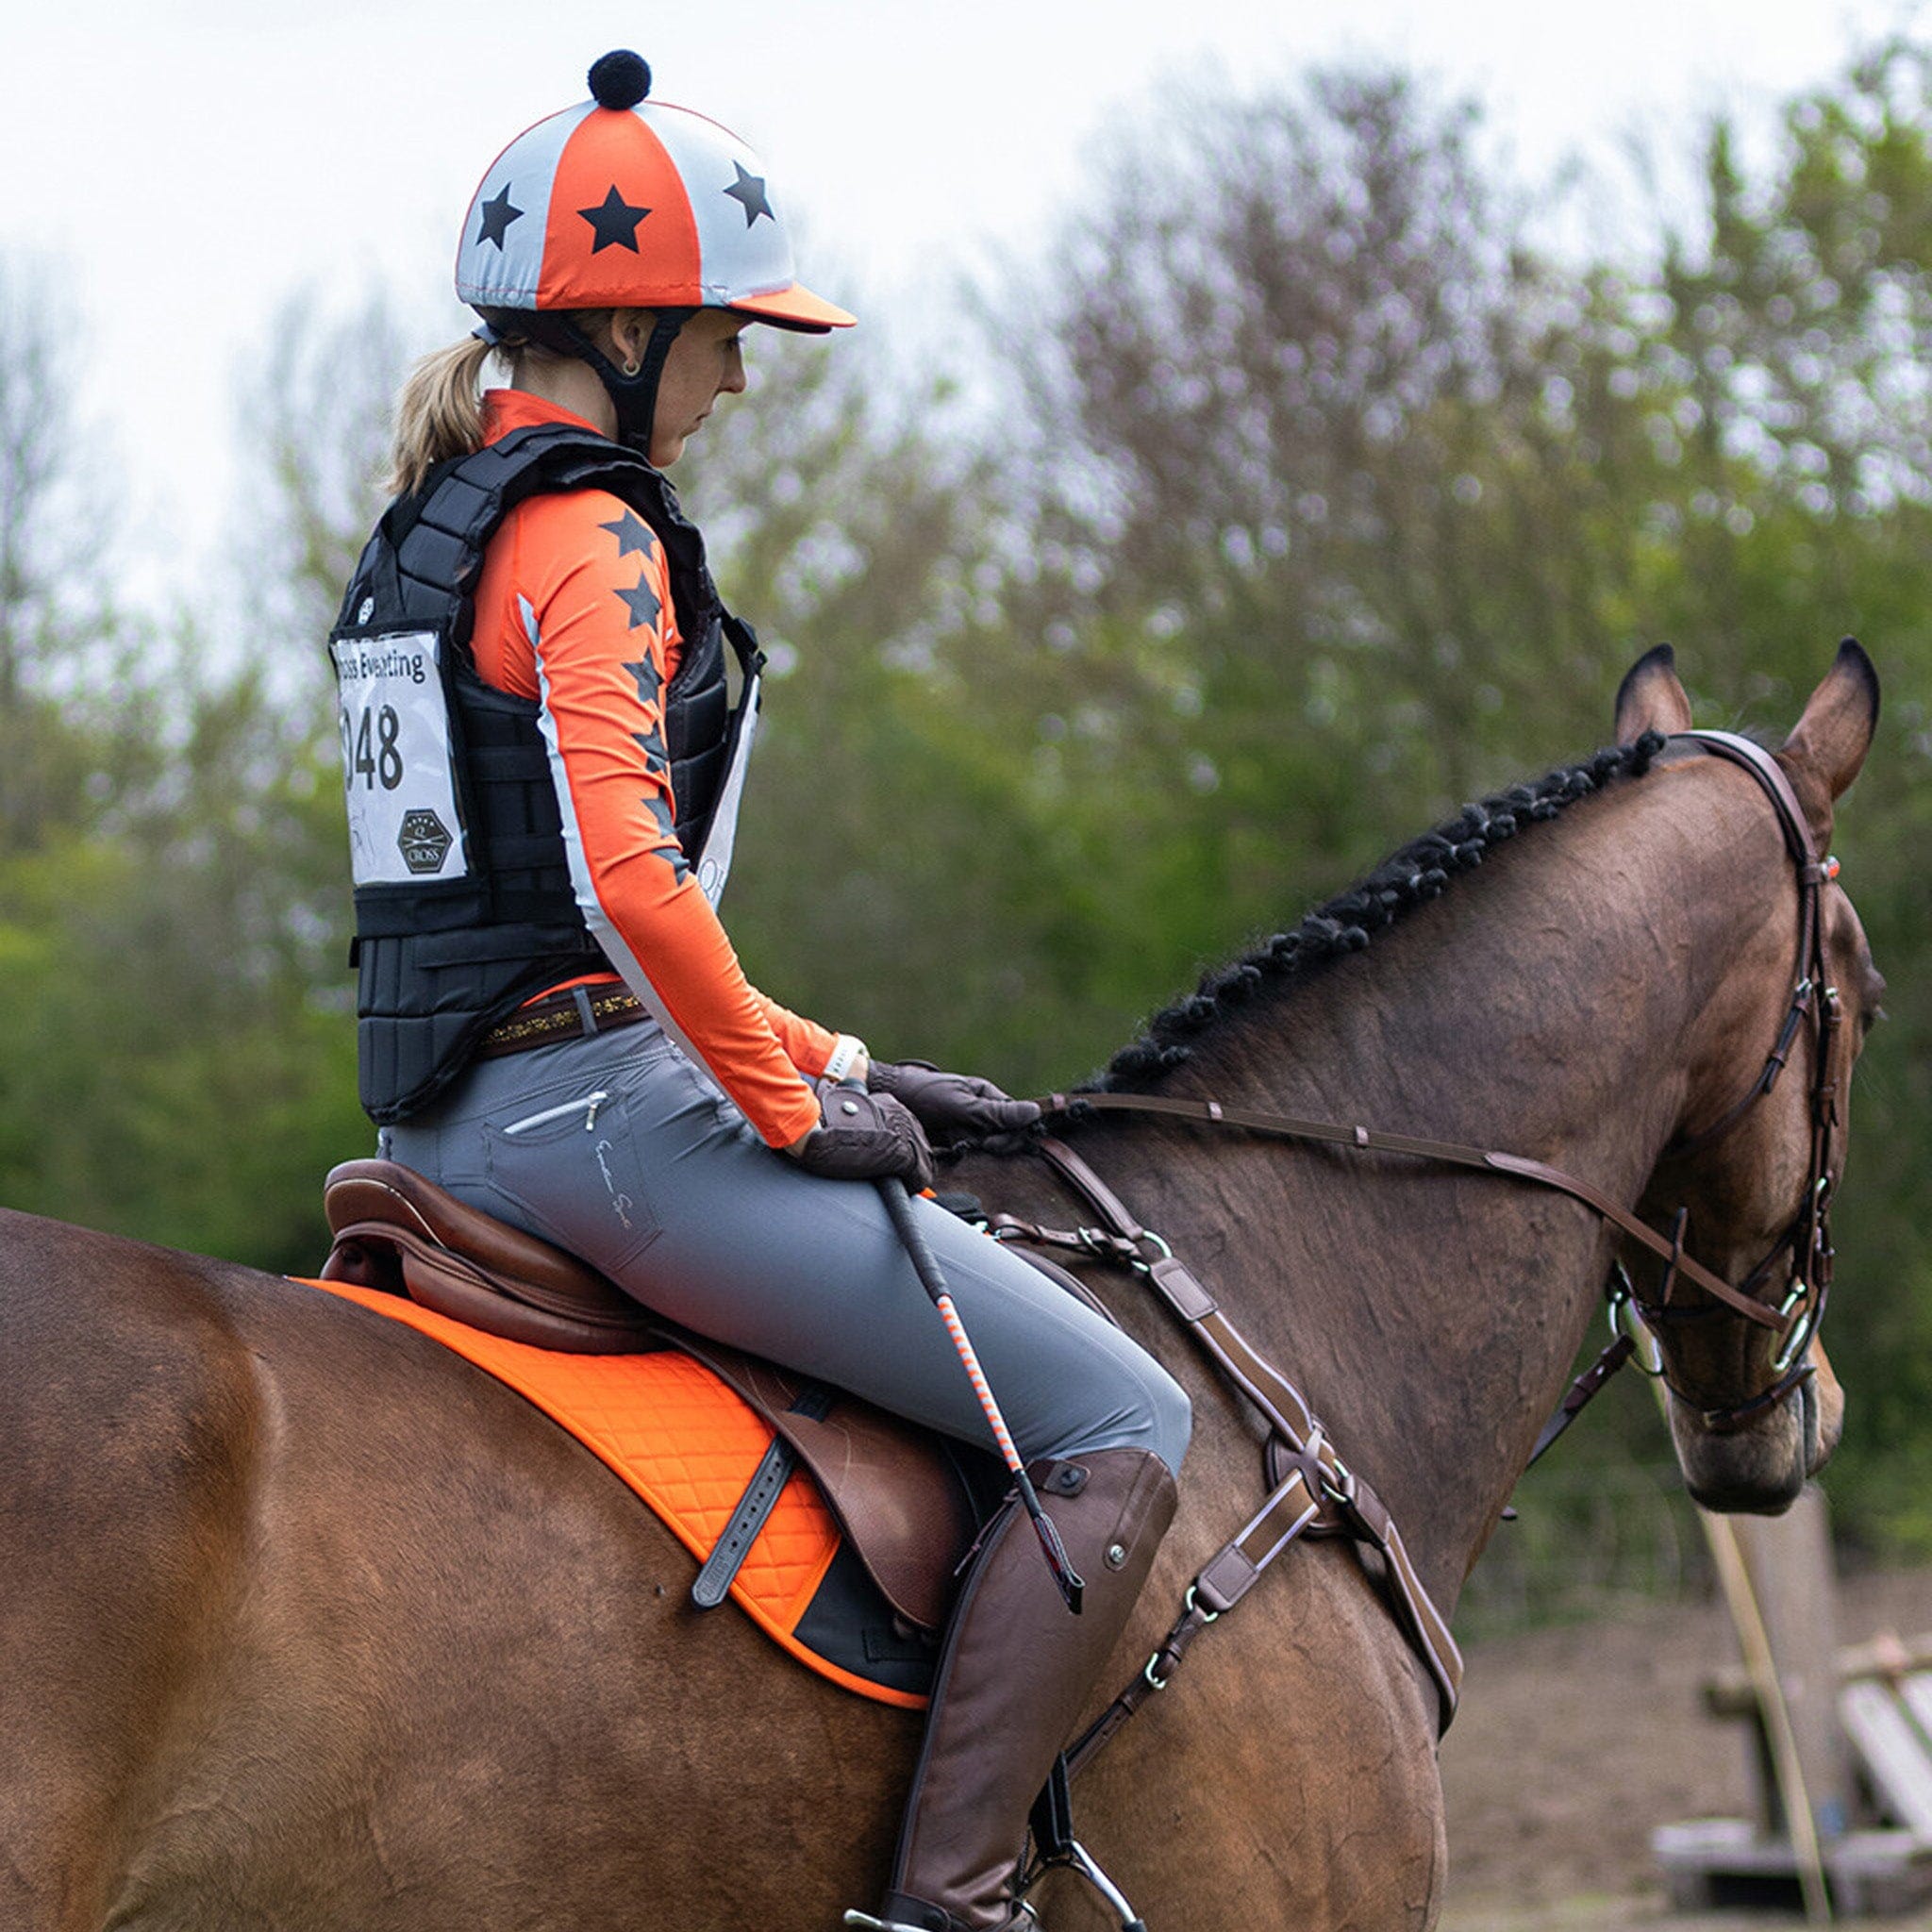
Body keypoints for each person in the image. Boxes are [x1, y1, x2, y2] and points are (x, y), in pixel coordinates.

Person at [328, 51, 1190, 1932]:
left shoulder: (428, 532)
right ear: (628, 329)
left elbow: (538, 917)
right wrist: (793, 1112)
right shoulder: (591, 537)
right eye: (725, 330)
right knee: (1125, 1420)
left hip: (434, 1123)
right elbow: (631, 888)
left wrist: (854, 1057)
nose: (744, 370)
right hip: (597, 1141)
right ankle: (955, 1898)